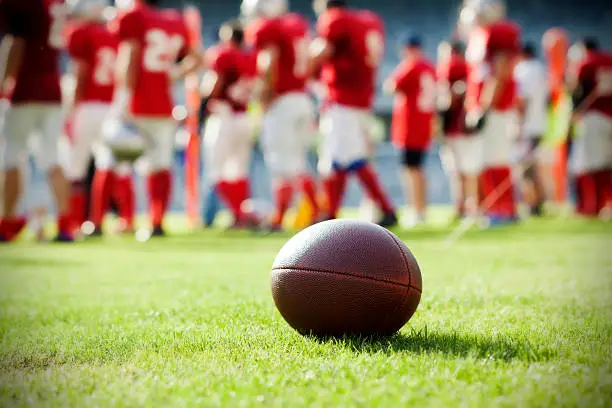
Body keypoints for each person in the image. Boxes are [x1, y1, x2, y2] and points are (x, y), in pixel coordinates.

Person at [105, 0, 202, 239]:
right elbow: (198, 58)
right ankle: (156, 220)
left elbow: (130, 56)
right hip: (163, 103)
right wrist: (172, 75)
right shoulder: (175, 20)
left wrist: (124, 98)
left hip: (138, 101)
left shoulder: (133, 15)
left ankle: (125, 219)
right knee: (159, 164)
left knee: (120, 162)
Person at [309, 0, 398, 227]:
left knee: (350, 158)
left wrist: (305, 71)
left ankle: (386, 209)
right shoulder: (368, 20)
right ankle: (330, 212)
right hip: (362, 99)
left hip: (342, 99)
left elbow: (321, 52)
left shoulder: (336, 19)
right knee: (337, 158)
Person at [0, 0, 74, 242]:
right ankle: (65, 223)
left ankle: (8, 221)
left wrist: (4, 82)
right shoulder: (57, 3)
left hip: (26, 88)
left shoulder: (28, 4)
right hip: (53, 87)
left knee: (12, 155)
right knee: (52, 157)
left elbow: (17, 43)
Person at [242, 0, 319, 232]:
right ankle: (317, 210)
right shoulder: (297, 24)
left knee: (280, 164)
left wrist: (265, 94)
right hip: (302, 98)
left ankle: (279, 219)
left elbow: (268, 61)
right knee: (298, 163)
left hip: (282, 101)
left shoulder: (268, 27)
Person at [64, 0, 136, 235]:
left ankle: (74, 223)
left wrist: (71, 110)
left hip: (88, 106)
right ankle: (119, 219)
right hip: (113, 106)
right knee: (113, 165)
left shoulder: (81, 32)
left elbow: (80, 73)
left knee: (76, 166)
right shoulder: (115, 33)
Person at [459, 0, 521, 225]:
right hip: (482, 106)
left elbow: (500, 70)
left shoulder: (499, 33)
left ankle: (504, 210)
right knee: (485, 161)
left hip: (495, 108)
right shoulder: (480, 35)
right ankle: (494, 209)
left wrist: (484, 106)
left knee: (496, 160)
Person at [201, 20, 257, 228]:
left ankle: (236, 213)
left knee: (215, 171)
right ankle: (240, 215)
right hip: (244, 116)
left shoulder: (224, 55)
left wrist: (202, 105)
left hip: (224, 116)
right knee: (239, 172)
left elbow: (214, 85)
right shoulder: (252, 57)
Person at [384, 35, 436, 227]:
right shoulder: (429, 66)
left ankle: (417, 209)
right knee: (418, 169)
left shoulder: (412, 65)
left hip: (410, 126)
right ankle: (421, 209)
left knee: (411, 170)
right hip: (423, 124)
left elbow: (391, 86)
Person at [437, 40, 481, 221]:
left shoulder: (453, 65)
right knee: (465, 171)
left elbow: (448, 97)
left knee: (460, 171)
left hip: (457, 127)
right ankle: (467, 206)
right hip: (466, 127)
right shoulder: (470, 67)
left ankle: (464, 206)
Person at [568, 38, 612, 218]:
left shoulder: (587, 62)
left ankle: (594, 206)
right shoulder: (608, 59)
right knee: (607, 163)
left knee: (592, 163)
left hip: (595, 115)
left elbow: (578, 90)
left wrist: (574, 113)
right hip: (609, 114)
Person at [514, 42, 549, 216]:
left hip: (527, 126)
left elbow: (523, 100)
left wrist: (518, 125)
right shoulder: (541, 69)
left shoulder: (523, 70)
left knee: (525, 167)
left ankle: (533, 204)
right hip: (540, 123)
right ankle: (539, 201)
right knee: (532, 166)